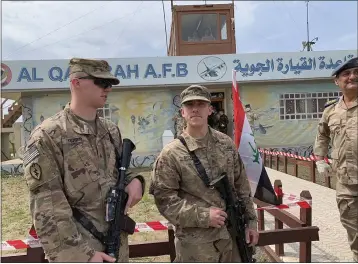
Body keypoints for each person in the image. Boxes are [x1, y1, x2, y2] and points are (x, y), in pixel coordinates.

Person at [23, 58, 145, 262]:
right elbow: (47, 207)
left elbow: (116, 173)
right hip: (82, 253)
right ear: (76, 82)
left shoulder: (110, 130)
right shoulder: (48, 135)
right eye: (100, 82)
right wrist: (82, 256)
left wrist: (136, 181)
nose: (107, 89)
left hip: (116, 248)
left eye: (110, 84)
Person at [150, 85, 258, 262]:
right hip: (197, 247)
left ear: (210, 109)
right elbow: (165, 201)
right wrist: (204, 216)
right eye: (189, 105)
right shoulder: (171, 154)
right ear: (182, 112)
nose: (195, 108)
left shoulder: (226, 144)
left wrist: (251, 223)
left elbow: (242, 187)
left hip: (233, 238)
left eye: (200, 104)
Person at [313, 56, 358, 262]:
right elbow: (322, 134)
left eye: (356, 72)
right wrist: (320, 158)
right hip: (346, 183)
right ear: (337, 81)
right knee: (353, 228)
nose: (352, 77)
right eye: (346, 74)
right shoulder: (330, 110)